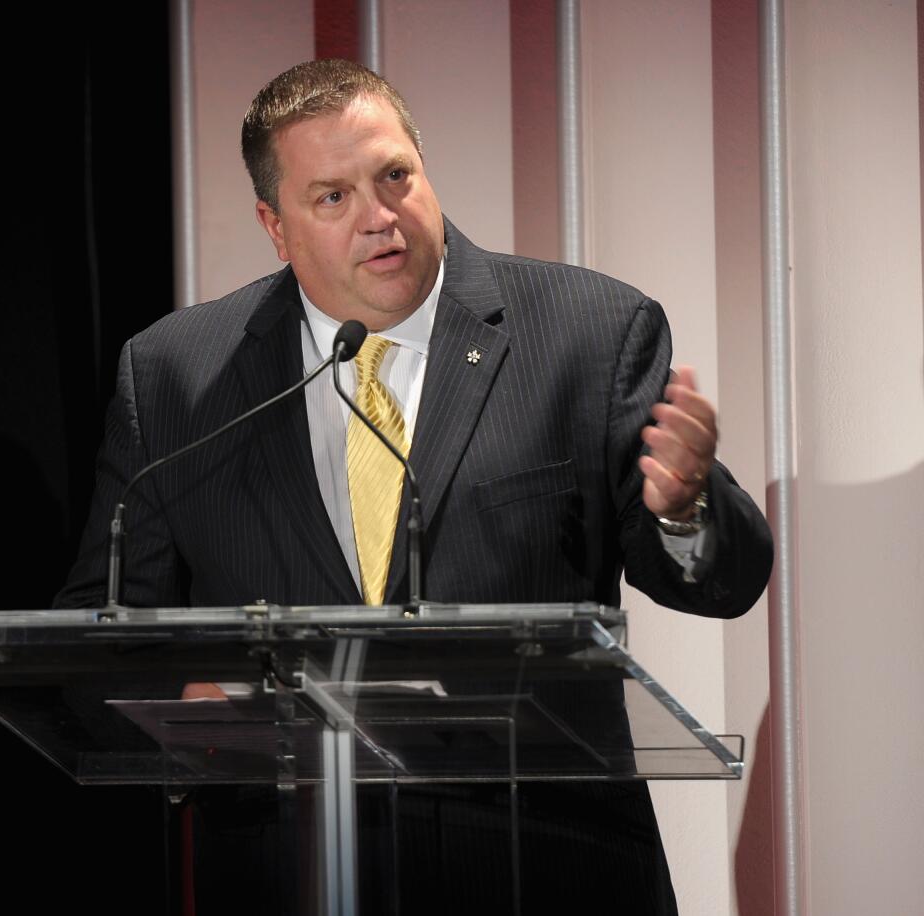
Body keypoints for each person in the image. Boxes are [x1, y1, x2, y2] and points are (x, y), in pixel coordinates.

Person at [57, 59, 772, 914]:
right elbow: (95, 645)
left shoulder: (587, 335)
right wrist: (188, 716)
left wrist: (684, 508)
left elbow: (723, 582)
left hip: (545, 871)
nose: (380, 218)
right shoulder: (178, 376)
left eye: (395, 176)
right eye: (332, 197)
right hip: (289, 874)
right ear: (274, 225)